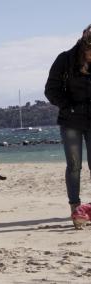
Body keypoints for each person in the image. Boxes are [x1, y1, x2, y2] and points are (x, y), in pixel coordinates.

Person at [45, 24, 91, 224]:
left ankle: (87, 211)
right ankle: (75, 207)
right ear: (84, 45)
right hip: (71, 120)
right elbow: (51, 90)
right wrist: (69, 106)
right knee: (74, 166)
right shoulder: (65, 59)